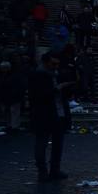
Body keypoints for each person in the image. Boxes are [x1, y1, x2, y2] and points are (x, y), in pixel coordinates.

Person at [29, 53, 70, 182]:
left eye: (58, 64)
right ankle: (42, 171)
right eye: (53, 64)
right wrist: (57, 89)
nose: (56, 66)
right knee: (41, 144)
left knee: (58, 144)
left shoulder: (56, 75)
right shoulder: (37, 76)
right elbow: (37, 97)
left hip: (59, 113)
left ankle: (55, 169)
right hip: (44, 115)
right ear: (45, 62)